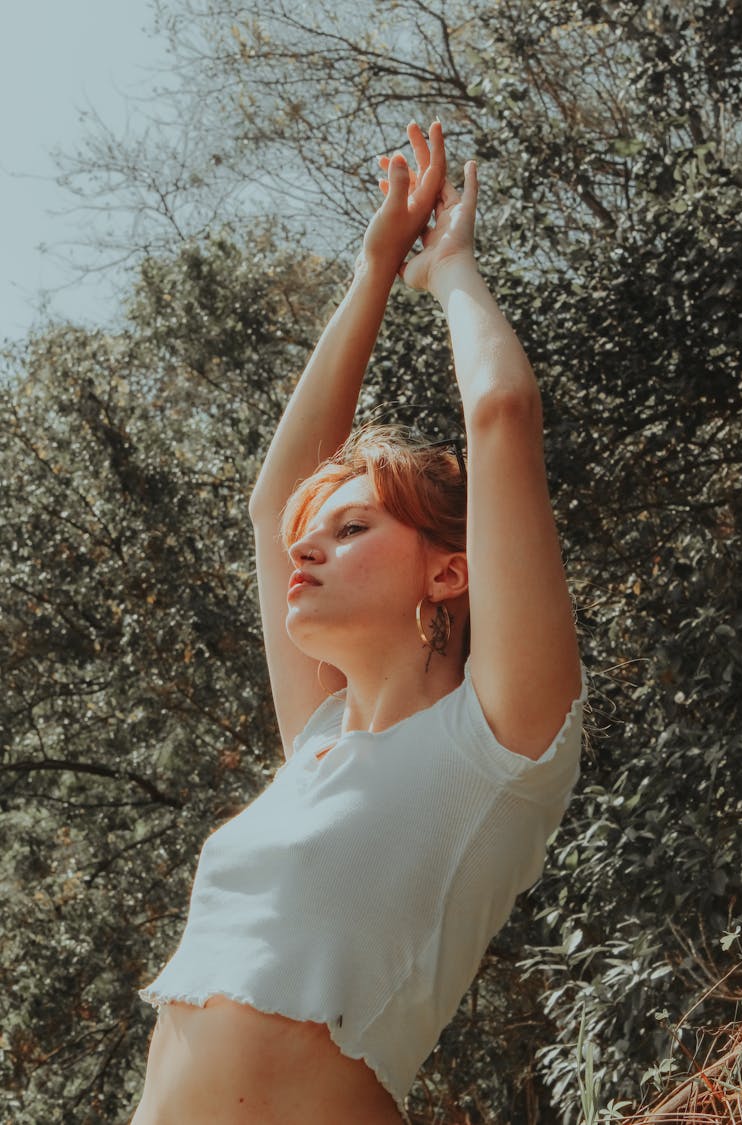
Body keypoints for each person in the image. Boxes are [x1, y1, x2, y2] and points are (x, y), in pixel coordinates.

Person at [132, 120, 586, 1125]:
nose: (302, 547)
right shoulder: (320, 746)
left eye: (349, 528)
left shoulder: (498, 744)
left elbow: (502, 411)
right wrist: (377, 258)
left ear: (448, 572)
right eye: (312, 535)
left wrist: (448, 269)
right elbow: (272, 500)